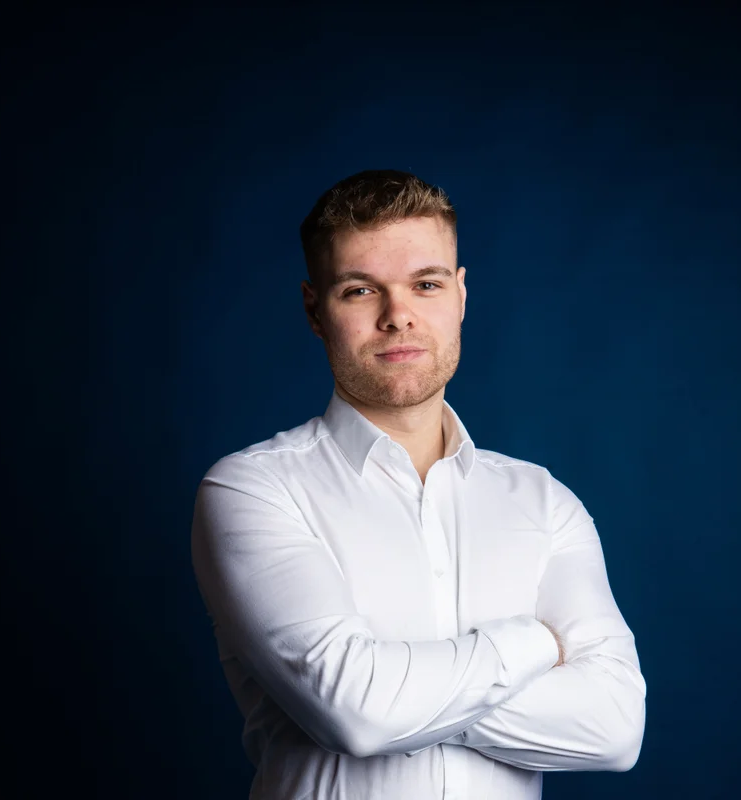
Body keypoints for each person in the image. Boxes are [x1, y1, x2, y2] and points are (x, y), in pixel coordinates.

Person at [191, 169, 646, 799]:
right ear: (315, 309)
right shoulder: (253, 490)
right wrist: (533, 645)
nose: (398, 316)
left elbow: (615, 731)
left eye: (425, 284)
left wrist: (396, 695)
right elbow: (357, 714)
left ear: (460, 295)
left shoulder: (545, 503)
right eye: (360, 290)